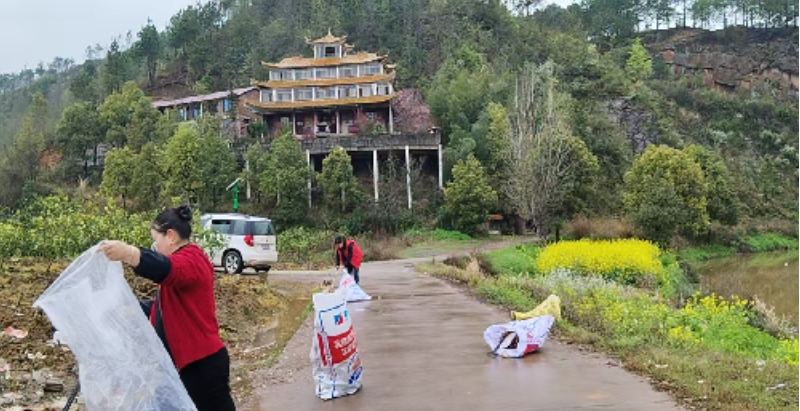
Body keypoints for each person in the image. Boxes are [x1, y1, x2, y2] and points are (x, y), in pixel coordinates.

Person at [97, 205, 236, 411]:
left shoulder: (192, 260)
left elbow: (164, 267)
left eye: (156, 241)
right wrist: (126, 308)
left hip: (203, 366)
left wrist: (129, 253)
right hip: (187, 365)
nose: (156, 246)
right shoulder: (182, 266)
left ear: (170, 236)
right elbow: (163, 306)